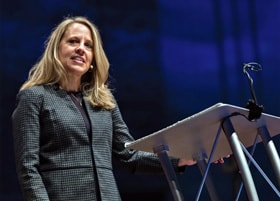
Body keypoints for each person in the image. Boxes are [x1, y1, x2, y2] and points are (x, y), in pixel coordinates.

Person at [12, 16, 224, 201]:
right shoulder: (34, 97)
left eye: (88, 45)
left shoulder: (103, 101)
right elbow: (28, 168)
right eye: (73, 41)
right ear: (57, 50)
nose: (81, 48)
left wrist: (184, 158)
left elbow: (129, 156)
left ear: (93, 59)